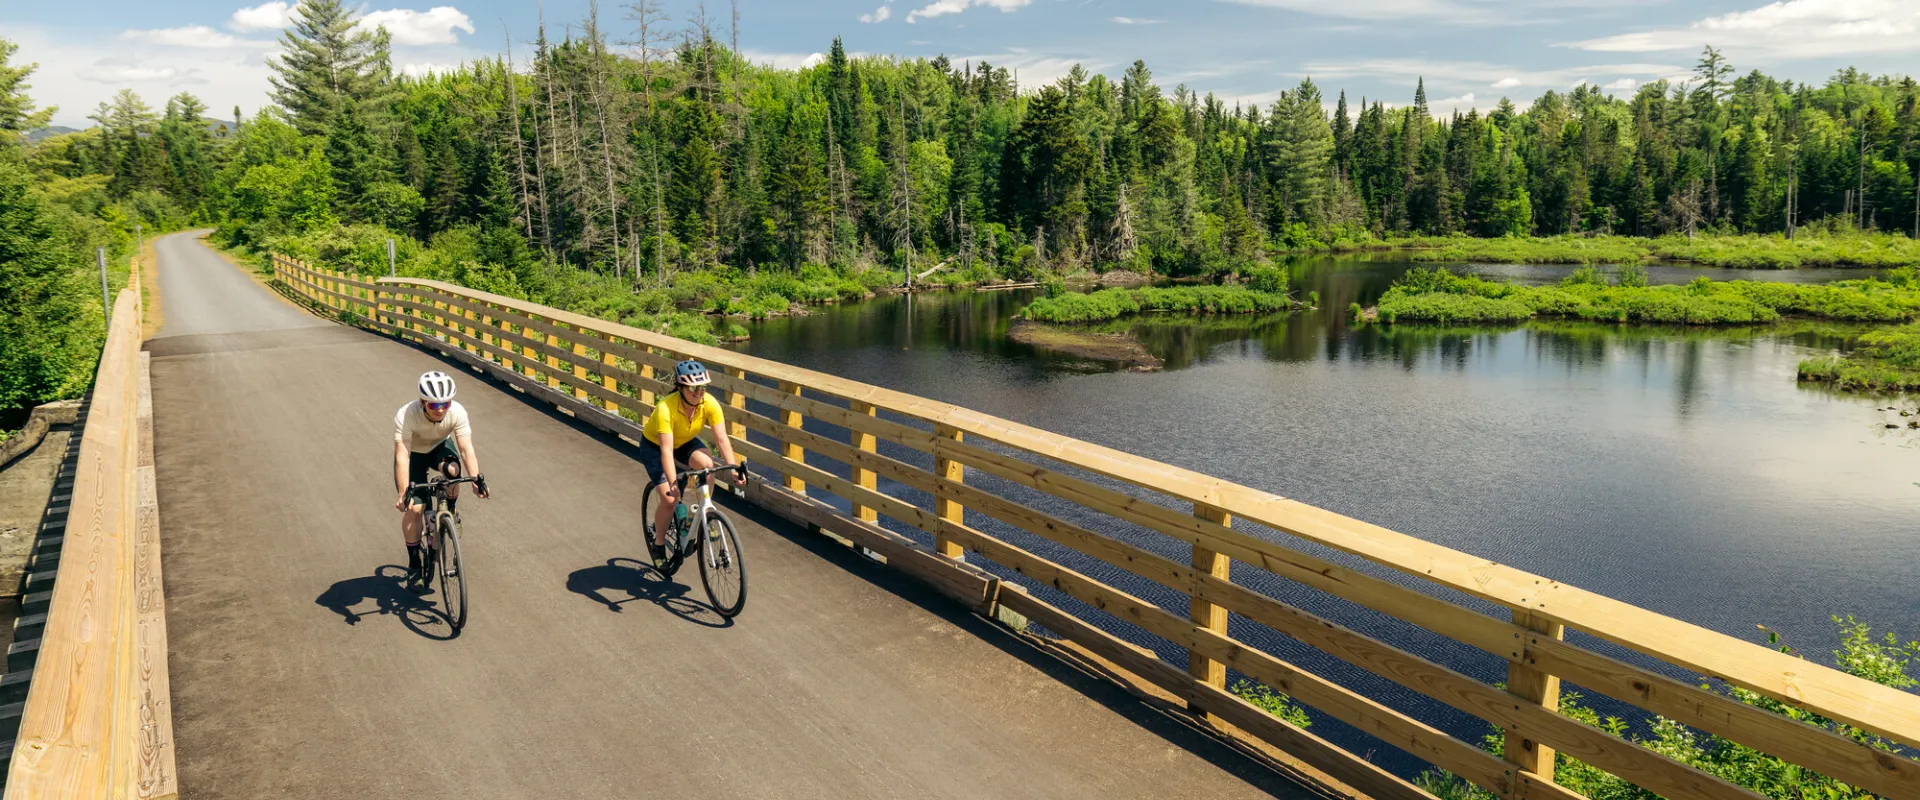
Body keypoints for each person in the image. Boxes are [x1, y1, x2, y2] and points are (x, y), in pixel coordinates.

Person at [394, 371, 488, 590]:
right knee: (415, 508)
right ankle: (414, 565)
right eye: (435, 405)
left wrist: (477, 479)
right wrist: (403, 492)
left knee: (454, 470)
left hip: (438, 448)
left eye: (446, 403)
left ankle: (451, 511)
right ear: (422, 402)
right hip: (414, 454)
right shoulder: (406, 414)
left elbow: (466, 449)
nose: (442, 409)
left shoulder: (457, 412)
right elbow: (402, 456)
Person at [642, 360, 740, 571]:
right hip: (655, 446)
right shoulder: (665, 408)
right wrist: (673, 482)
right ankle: (658, 544)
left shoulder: (709, 403)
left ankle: (698, 514)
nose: (699, 392)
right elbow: (666, 451)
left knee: (707, 465)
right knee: (670, 498)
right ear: (680, 387)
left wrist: (732, 468)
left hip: (684, 441)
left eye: (702, 387)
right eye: (693, 388)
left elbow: (722, 439)